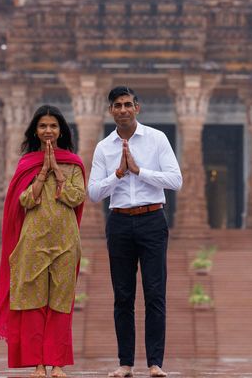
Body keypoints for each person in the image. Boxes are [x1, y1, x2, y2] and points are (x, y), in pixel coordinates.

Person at [88, 86, 183, 378]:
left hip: (152, 218)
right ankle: (125, 363)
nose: (123, 110)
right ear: (110, 111)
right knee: (123, 295)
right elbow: (92, 193)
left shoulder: (157, 139)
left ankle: (155, 363)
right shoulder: (104, 147)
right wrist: (117, 174)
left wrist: (139, 171)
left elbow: (175, 180)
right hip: (119, 222)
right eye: (117, 105)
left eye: (128, 104)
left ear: (137, 108)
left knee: (155, 293)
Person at [0, 105, 86, 378]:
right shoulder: (27, 164)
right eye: (43, 126)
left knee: (60, 302)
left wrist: (57, 170)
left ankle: (57, 364)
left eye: (53, 126)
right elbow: (25, 201)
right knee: (33, 303)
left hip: (66, 240)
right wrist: (42, 172)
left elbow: (76, 197)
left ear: (61, 131)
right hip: (32, 241)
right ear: (35, 129)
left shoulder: (73, 164)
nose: (48, 131)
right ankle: (38, 365)